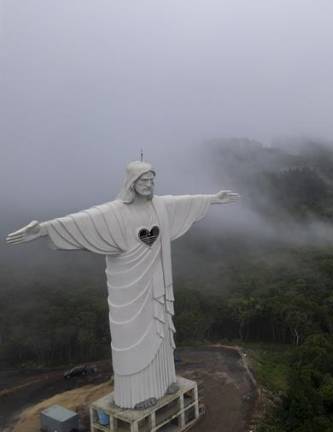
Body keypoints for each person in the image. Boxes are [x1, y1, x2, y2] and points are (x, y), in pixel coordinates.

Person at [5, 160, 239, 409]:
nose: (149, 185)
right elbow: (83, 220)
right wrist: (43, 230)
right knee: (133, 339)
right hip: (129, 288)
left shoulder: (160, 206)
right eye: (143, 180)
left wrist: (214, 199)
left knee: (160, 331)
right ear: (131, 183)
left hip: (158, 283)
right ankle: (137, 395)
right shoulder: (115, 212)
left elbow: (185, 202)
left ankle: (165, 381)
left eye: (151, 180)